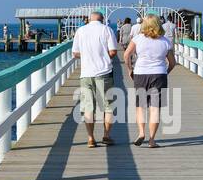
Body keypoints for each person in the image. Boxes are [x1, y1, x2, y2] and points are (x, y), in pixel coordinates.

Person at [122, 14, 175, 148]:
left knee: (141, 107)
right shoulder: (165, 41)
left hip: (141, 74)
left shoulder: (138, 38)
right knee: (155, 108)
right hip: (159, 75)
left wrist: (129, 69)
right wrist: (165, 72)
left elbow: (126, 54)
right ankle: (152, 140)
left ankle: (141, 133)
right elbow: (172, 62)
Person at [70, 11, 118, 148]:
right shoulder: (107, 29)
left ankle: (90, 138)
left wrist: (86, 56)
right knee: (108, 107)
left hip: (86, 73)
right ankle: (106, 136)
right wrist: (103, 57)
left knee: (88, 107)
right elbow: (113, 51)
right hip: (104, 72)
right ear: (102, 19)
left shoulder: (80, 31)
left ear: (89, 19)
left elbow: (75, 53)